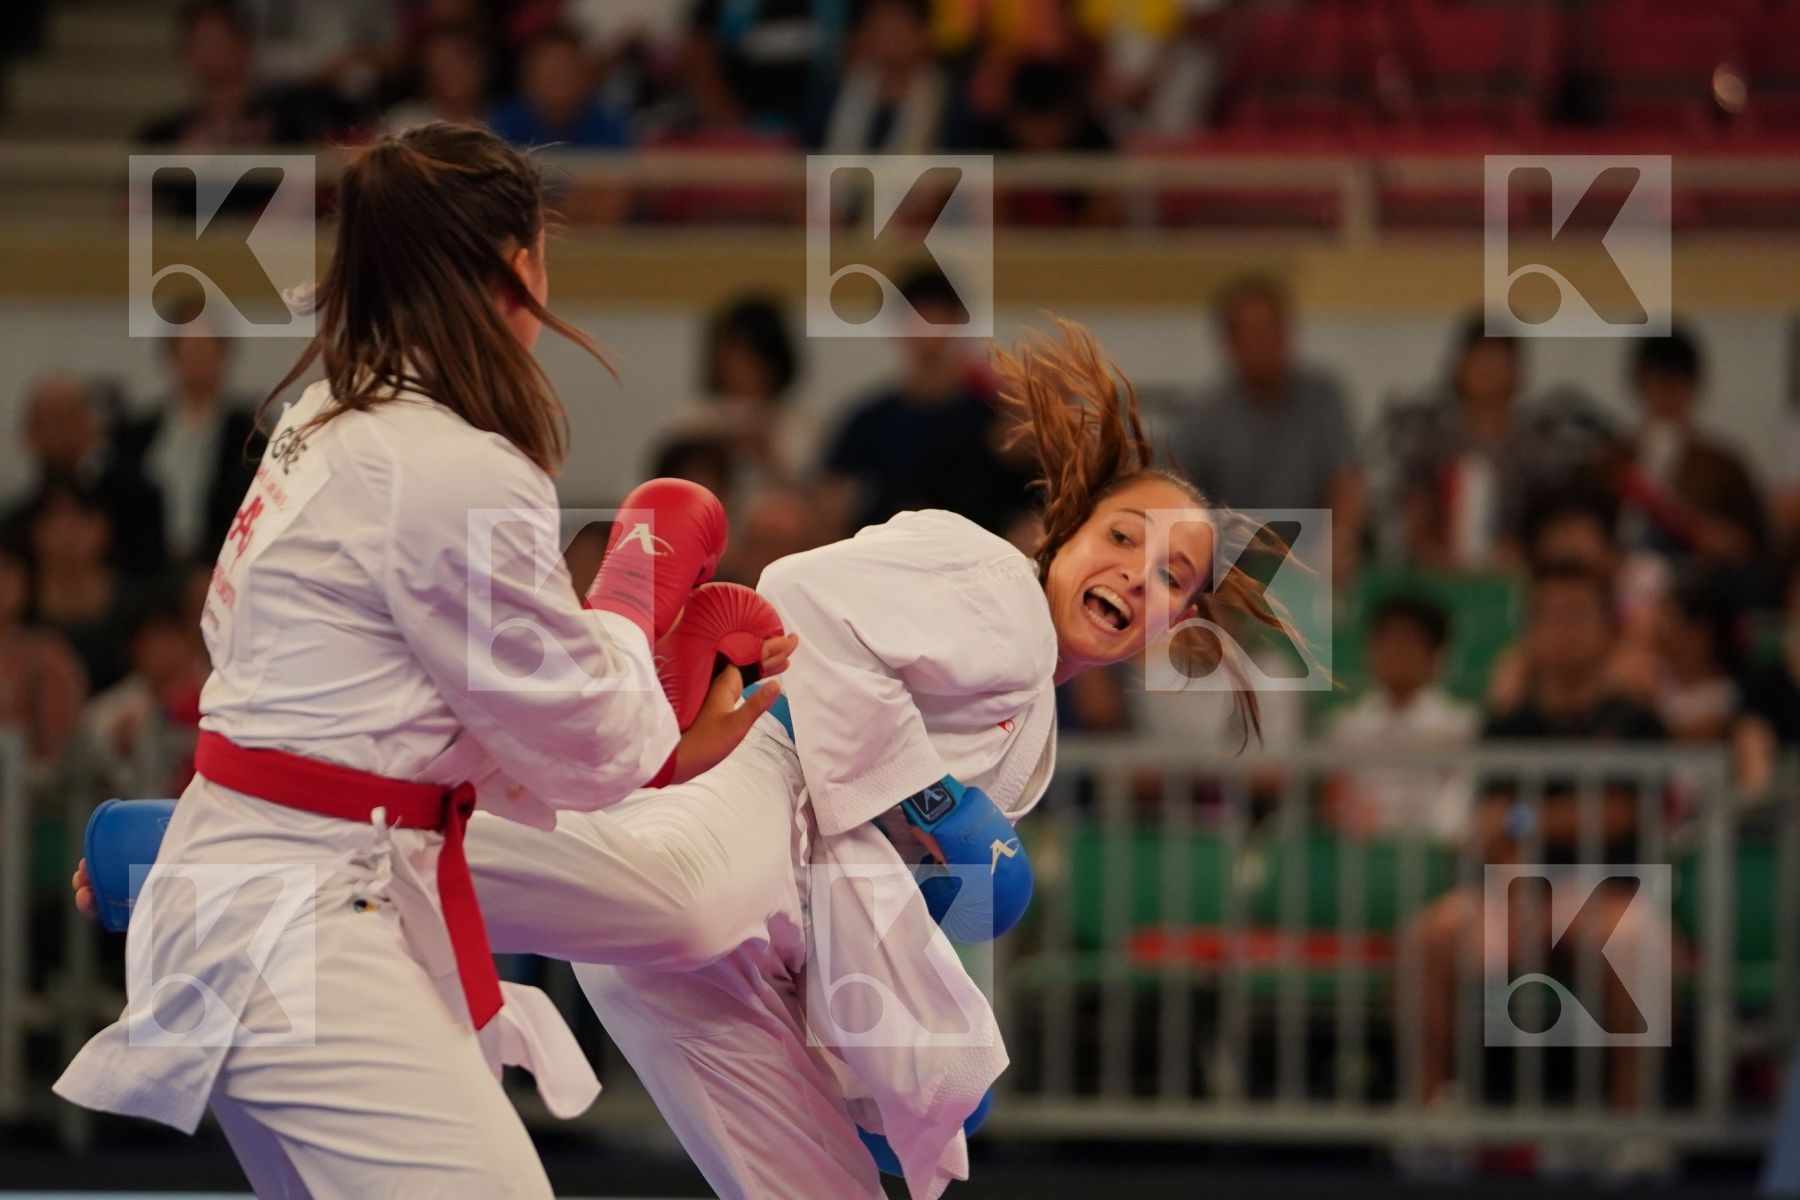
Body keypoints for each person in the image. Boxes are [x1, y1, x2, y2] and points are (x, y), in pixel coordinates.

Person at [55, 123, 789, 1200]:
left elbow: (411, 709)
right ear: (516, 267)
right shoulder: (456, 468)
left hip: (281, 890)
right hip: (304, 917)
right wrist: (639, 582)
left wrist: (655, 742)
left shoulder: (324, 420)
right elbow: (590, 737)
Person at [455, 319, 1298, 1198]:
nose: (1135, 573)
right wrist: (933, 802)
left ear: (1178, 623)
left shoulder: (1033, 742)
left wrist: (887, 1056)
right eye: (1122, 538)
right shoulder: (991, 579)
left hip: (772, 922)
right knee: (685, 909)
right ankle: (405, 845)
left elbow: (877, 887)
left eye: (1171, 575)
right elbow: (797, 592)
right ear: (1066, 530)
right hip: (752, 784)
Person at [1409, 562, 1672, 1118]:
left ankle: (1633, 1121)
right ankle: (1432, 1112)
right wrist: (1519, 876)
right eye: (1548, 616)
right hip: (1519, 892)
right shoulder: (1506, 726)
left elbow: (1615, 815)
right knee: (1430, 936)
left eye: (1577, 616)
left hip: (1610, 895)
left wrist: (1526, 818)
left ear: (1609, 629)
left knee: (1638, 941)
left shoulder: (1636, 722)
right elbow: (1490, 821)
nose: (1563, 629)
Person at [1169, 276, 1364, 580]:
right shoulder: (1205, 416)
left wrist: (1338, 539)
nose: (1269, 341)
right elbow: (1175, 496)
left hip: (1313, 558)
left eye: (1277, 329)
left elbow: (1346, 480)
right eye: (1256, 332)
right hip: (1235, 566)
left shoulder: (1324, 396)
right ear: (1229, 343)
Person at [820, 265, 1035, 537]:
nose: (925, 327)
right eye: (915, 315)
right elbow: (829, 494)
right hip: (888, 552)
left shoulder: (993, 411)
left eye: (935, 314)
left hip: (979, 552)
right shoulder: (871, 418)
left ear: (956, 321)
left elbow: (1030, 484)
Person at [1323, 594, 1478, 840]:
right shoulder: (1345, 726)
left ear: (1436, 653)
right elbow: (1337, 795)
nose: (1397, 652)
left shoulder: (1461, 725)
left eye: (1409, 643)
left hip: (1437, 844)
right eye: (1387, 641)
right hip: (1362, 848)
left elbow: (1461, 796)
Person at [114, 312, 263, 569]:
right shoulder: (137, 433)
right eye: (189, 348)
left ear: (224, 356)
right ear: (171, 356)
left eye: (206, 348)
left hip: (224, 564)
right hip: (149, 568)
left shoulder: (250, 433)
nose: (198, 359)